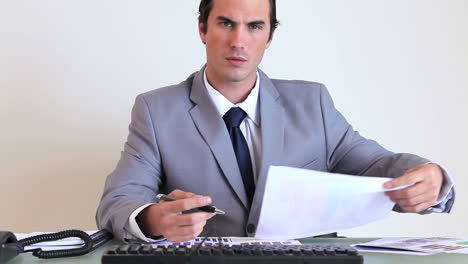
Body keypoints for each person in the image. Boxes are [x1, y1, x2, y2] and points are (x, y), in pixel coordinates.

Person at [96, 0, 454, 243]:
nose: (239, 41)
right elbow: (120, 200)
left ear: (269, 36)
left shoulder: (312, 102)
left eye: (254, 26)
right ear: (203, 29)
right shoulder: (156, 110)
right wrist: (154, 220)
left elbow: (375, 163)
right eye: (225, 23)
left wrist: (430, 175)